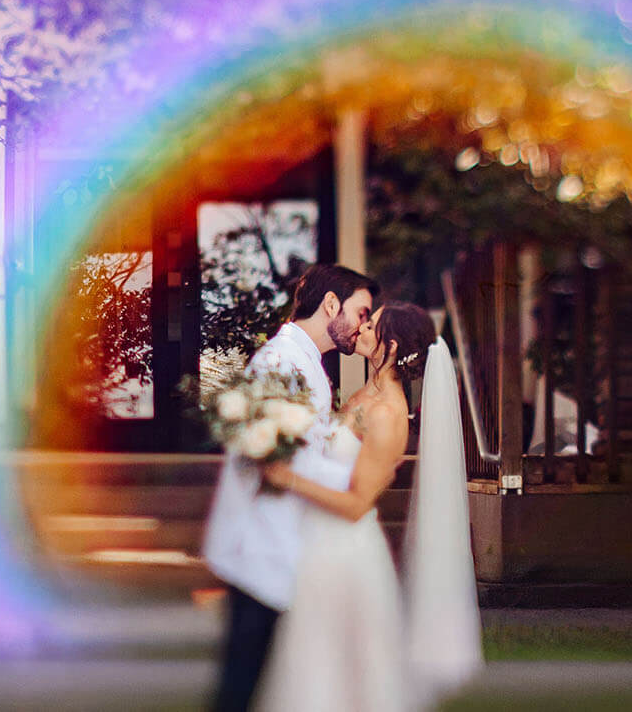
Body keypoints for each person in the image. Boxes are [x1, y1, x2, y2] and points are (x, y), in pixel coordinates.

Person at [255, 302, 484, 711]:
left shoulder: (387, 413)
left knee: (348, 676)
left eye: (371, 324)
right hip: (321, 543)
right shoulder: (363, 395)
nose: (360, 327)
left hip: (347, 551)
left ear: (391, 347)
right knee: (313, 666)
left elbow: (358, 504)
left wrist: (286, 477)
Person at [202, 263, 378, 712]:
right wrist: (355, 482)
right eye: (362, 312)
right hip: (260, 546)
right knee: (242, 683)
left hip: (286, 543)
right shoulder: (281, 361)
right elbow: (277, 458)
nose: (363, 326)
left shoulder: (307, 364)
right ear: (331, 303)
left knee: (266, 682)